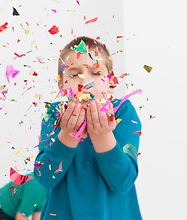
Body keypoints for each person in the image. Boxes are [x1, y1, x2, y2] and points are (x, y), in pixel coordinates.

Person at [34, 36, 143, 219]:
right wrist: (68, 135)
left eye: (96, 73)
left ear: (111, 82)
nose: (86, 82)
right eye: (75, 74)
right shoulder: (54, 114)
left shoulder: (122, 112)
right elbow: (45, 178)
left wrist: (102, 135)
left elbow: (122, 182)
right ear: (61, 85)